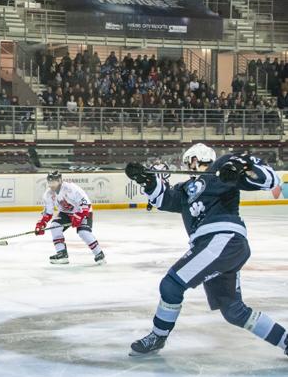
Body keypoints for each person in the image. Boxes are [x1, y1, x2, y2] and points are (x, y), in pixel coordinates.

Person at [125, 143, 287, 357]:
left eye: (188, 162)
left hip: (222, 239)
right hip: (218, 247)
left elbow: (270, 180)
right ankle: (285, 341)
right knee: (233, 311)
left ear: (194, 160)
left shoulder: (223, 167)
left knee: (172, 284)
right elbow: (165, 200)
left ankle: (158, 335)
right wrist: (146, 180)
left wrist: (241, 167)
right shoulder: (186, 189)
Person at [35, 171, 106, 265]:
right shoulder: (48, 194)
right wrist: (41, 223)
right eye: (50, 182)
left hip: (82, 211)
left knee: (83, 232)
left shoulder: (70, 188)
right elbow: (48, 212)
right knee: (54, 226)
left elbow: (85, 203)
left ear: (59, 181)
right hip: (65, 213)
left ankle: (99, 254)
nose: (51, 185)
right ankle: (62, 254)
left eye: (54, 182)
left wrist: (79, 216)